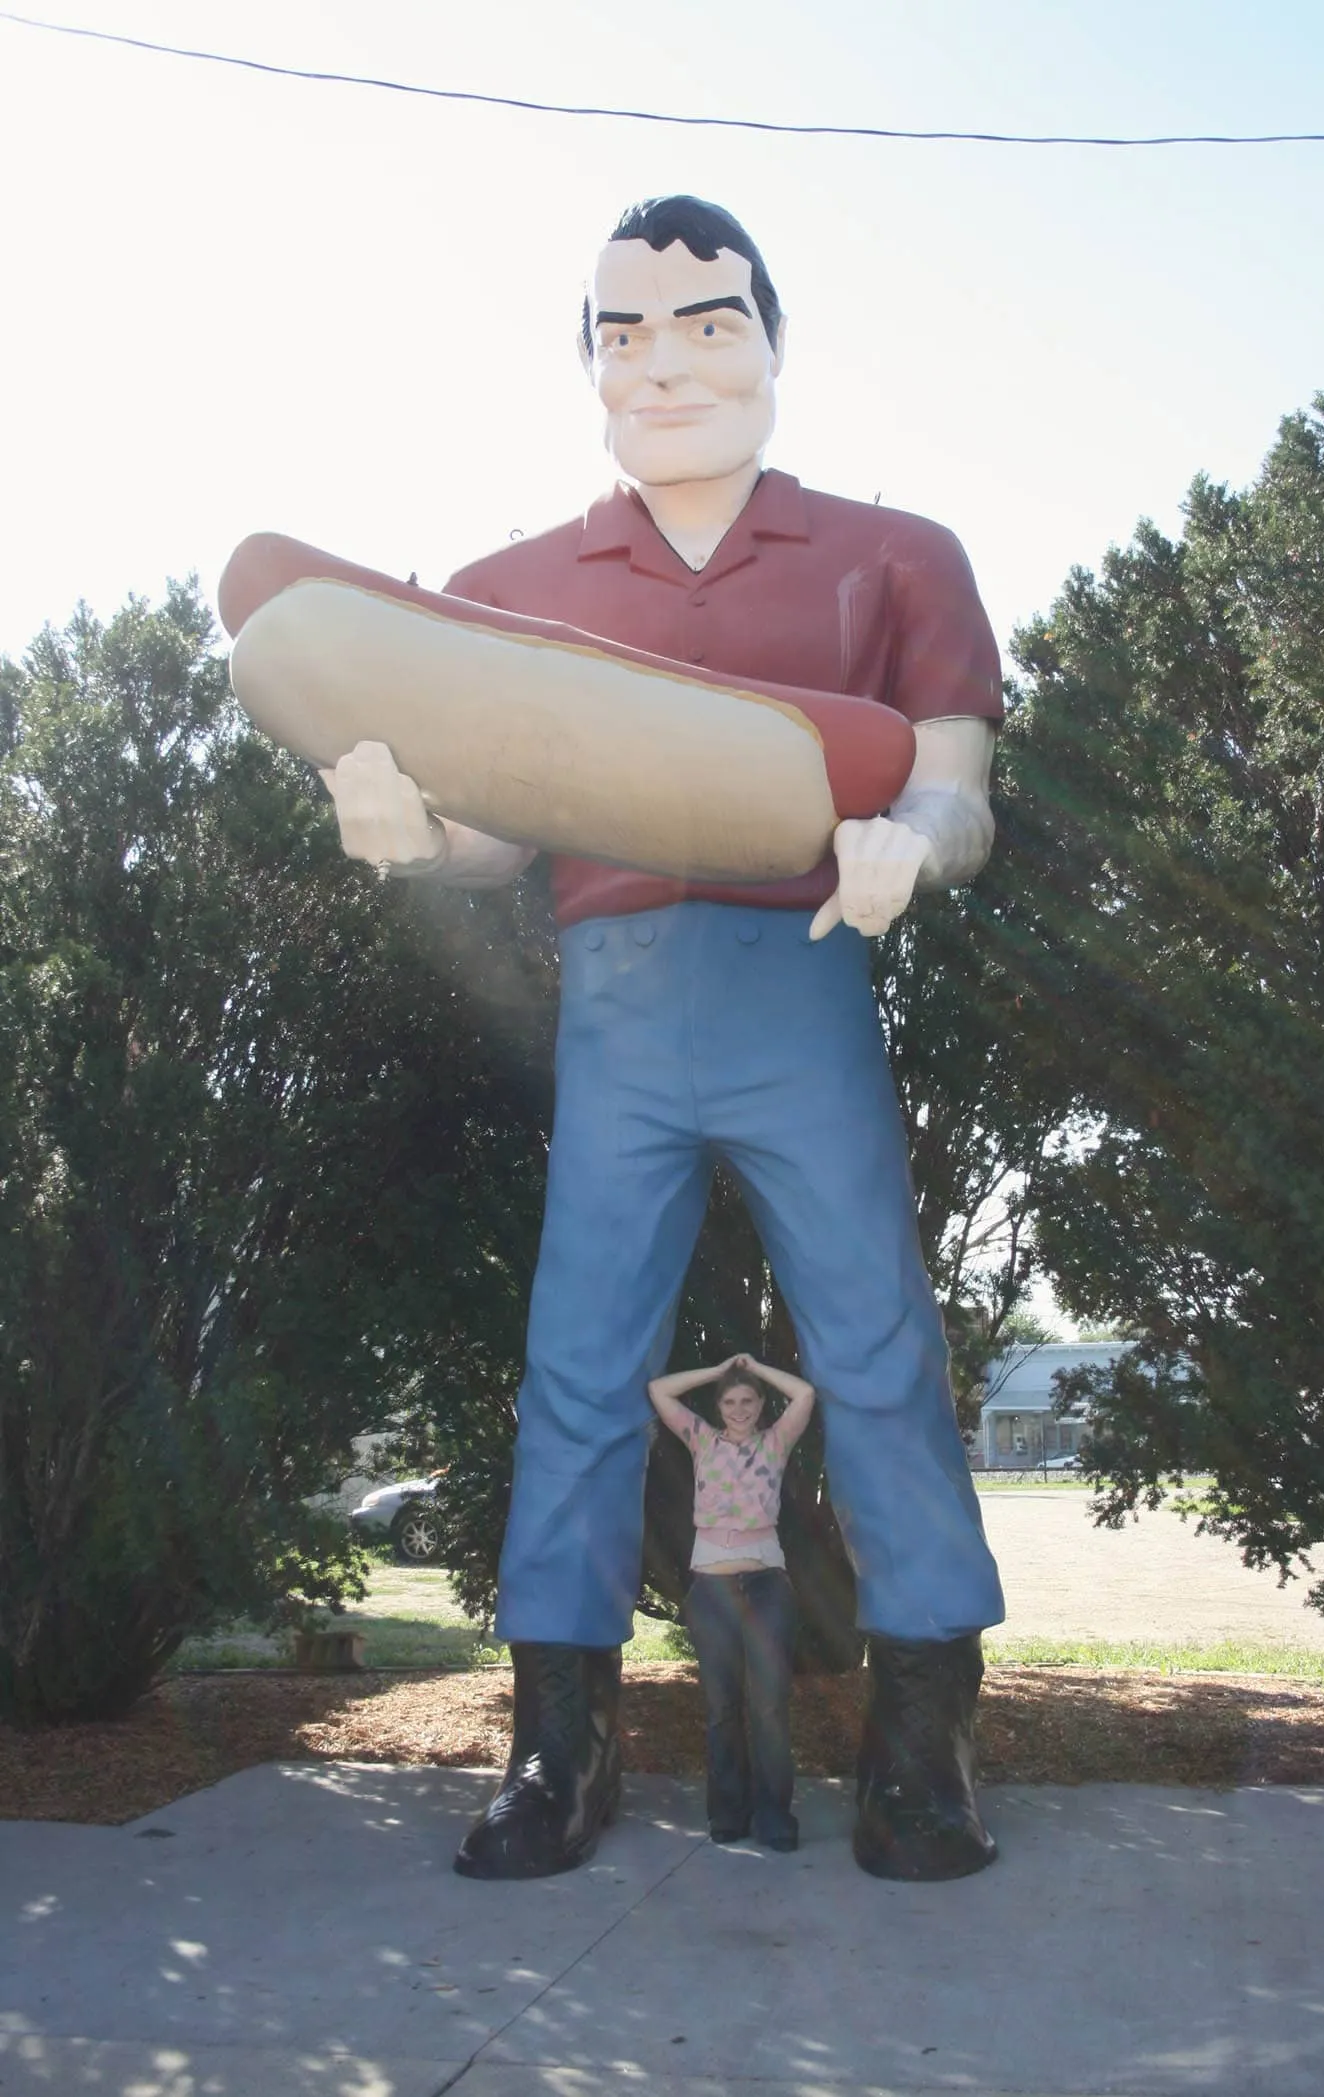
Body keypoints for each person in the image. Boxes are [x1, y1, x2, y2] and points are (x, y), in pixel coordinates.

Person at [320, 194, 1006, 1884]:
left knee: (880, 1352)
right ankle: (557, 1746)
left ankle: (924, 1741)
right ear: (591, 366)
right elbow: (493, 827)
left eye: (707, 322)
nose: (667, 359)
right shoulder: (507, 591)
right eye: (624, 331)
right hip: (616, 993)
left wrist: (914, 840)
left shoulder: (893, 555)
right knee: (575, 1364)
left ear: (770, 340)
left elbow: (955, 781)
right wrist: (404, 828)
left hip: (804, 966)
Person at [648, 1352, 814, 1850]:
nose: (739, 1408)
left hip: (766, 1588)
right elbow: (660, 1390)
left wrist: (758, 1368)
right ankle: (728, 1815)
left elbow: (804, 1394)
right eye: (730, 1401)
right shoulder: (701, 1439)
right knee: (722, 1708)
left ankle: (774, 1818)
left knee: (768, 1708)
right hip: (712, 1591)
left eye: (748, 1400)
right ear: (718, 1406)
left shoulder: (776, 1442)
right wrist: (720, 1370)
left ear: (761, 1404)